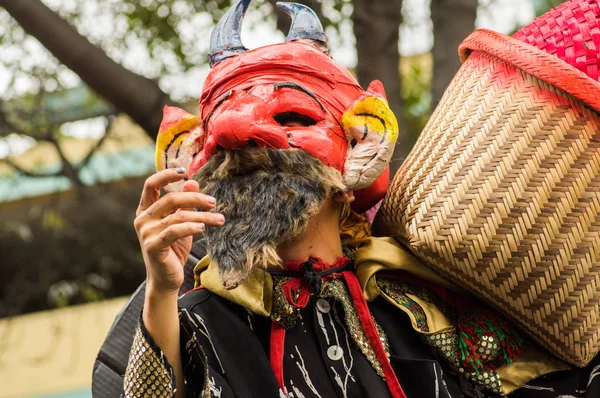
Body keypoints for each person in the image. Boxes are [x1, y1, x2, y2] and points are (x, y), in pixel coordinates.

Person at [123, 1, 600, 397]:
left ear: (362, 144)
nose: (237, 130)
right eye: (218, 136)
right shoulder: (200, 321)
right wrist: (162, 290)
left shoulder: (420, 299)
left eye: (292, 116)